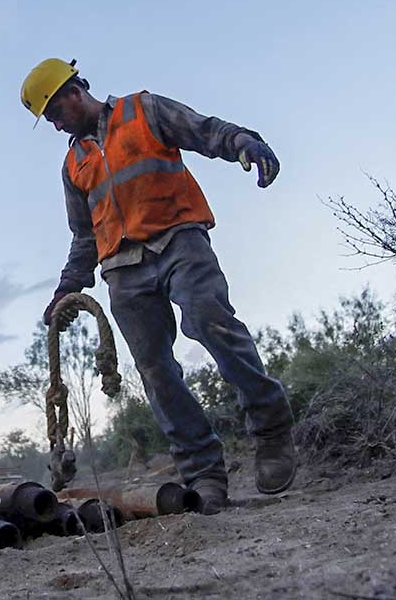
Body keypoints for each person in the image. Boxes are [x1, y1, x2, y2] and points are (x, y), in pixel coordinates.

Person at [20, 58, 296, 513]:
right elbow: (84, 235)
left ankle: (270, 428)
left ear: (73, 91)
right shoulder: (73, 163)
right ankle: (203, 473)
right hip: (123, 270)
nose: (54, 125)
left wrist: (244, 141)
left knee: (211, 322)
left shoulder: (143, 111)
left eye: (54, 113)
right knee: (155, 371)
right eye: (48, 119)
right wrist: (65, 289)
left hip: (178, 239)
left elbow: (204, 131)